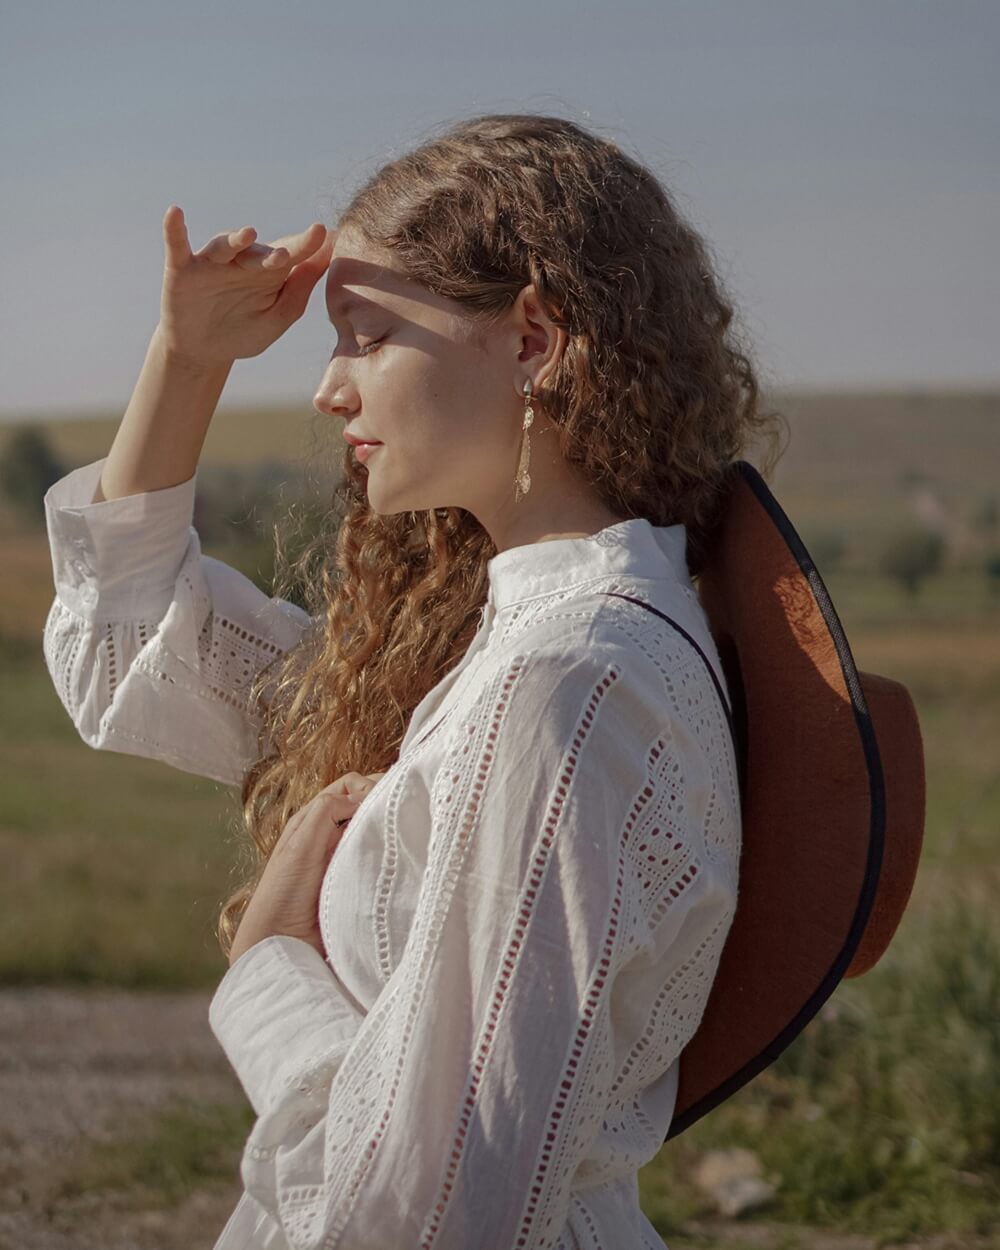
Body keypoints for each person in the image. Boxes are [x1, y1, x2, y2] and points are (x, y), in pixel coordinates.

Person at [42, 113, 785, 1249]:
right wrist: (186, 360)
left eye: (366, 334)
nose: (328, 390)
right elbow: (123, 659)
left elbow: (423, 1216)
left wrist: (267, 978)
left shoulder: (569, 685)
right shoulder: (503, 638)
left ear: (533, 338)